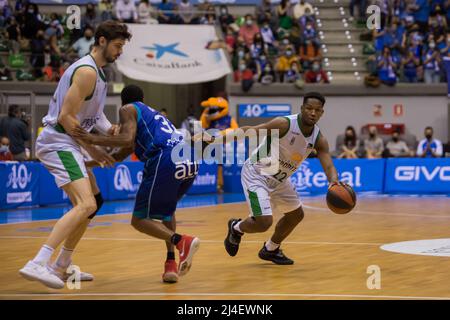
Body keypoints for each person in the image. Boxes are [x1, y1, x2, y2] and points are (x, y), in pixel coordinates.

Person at [19, 21, 131, 289]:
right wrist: (94, 148)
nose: (120, 52)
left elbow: (93, 114)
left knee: (95, 201)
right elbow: (66, 117)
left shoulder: (100, 74)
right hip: (58, 140)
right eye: (117, 46)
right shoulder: (86, 72)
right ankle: (37, 262)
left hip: (70, 141)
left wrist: (108, 128)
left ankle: (61, 266)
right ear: (101, 41)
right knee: (86, 204)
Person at [72, 85, 200, 283]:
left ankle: (181, 241)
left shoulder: (127, 109)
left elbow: (125, 139)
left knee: (139, 220)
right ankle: (170, 263)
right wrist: (87, 163)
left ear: (124, 102)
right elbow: (123, 152)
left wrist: (91, 138)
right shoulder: (152, 115)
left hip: (165, 159)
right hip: (190, 159)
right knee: (167, 209)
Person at [202, 92, 344, 265]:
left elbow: (328, 164)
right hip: (256, 174)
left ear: (322, 113)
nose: (312, 113)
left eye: (317, 110)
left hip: (279, 180)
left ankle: (271, 249)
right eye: (309, 108)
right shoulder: (284, 124)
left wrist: (333, 181)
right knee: (263, 222)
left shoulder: (319, 139)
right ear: (302, 108)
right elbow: (249, 131)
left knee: (296, 215)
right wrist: (215, 138)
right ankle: (236, 228)